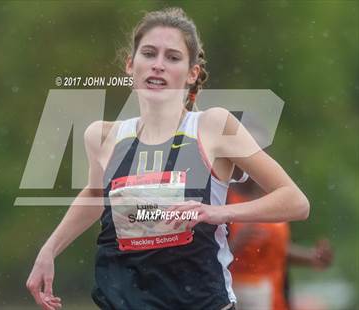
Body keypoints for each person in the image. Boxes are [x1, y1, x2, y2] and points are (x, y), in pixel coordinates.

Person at [26, 8, 310, 310]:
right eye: (149, 54)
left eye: (172, 58)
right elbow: (95, 197)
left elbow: (295, 201)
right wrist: (49, 250)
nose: (158, 65)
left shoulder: (213, 127)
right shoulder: (102, 137)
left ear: (192, 73)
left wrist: (217, 212)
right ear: (130, 64)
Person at [227, 179, 333, 310]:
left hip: (276, 298)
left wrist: (311, 257)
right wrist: (234, 245)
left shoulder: (275, 197)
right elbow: (206, 253)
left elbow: (278, 248)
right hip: (236, 297)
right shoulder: (222, 198)